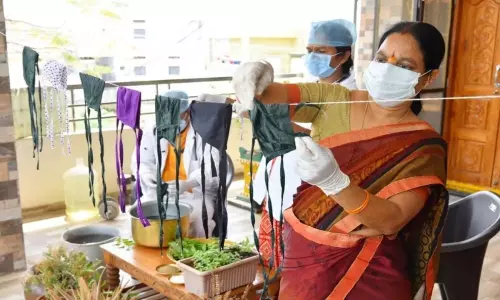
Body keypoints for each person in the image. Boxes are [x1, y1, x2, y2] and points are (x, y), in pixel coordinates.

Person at [232, 21, 448, 300]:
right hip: (305, 258)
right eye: (382, 59)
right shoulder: (333, 100)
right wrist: (255, 77)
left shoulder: (423, 147)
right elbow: (271, 97)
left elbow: (392, 220)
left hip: (369, 272)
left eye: (404, 66)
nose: (387, 70)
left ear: (429, 78)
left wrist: (334, 183)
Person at [251, 19, 359, 269]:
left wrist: (283, 124)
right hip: (280, 187)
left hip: (311, 197)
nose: (313, 56)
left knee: (298, 270)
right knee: (270, 265)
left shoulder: (352, 98)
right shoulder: (306, 88)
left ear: (344, 56)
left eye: (321, 51)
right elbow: (288, 109)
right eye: (309, 50)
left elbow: (332, 145)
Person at [131, 90, 227, 238]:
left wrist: (187, 183)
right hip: (159, 192)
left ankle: (194, 257)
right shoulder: (152, 129)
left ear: (187, 111)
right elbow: (142, 161)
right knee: (140, 216)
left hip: (194, 194)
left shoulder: (204, 130)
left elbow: (213, 166)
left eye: (177, 115)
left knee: (197, 221)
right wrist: (147, 175)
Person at [304, 19, 358, 89]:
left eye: (321, 51)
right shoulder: (309, 87)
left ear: (344, 56)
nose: (312, 57)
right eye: (310, 51)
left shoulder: (350, 95)